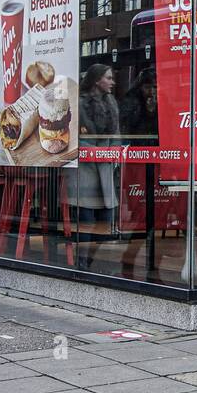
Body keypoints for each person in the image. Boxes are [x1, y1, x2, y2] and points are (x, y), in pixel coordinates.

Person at [75, 63, 120, 269]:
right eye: (108, 78)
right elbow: (73, 135)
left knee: (106, 221)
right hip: (85, 168)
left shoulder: (111, 103)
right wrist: (92, 151)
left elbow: (115, 134)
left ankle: (88, 258)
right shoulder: (79, 103)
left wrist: (115, 153)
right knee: (86, 218)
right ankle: (82, 260)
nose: (112, 82)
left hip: (105, 166)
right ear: (96, 80)